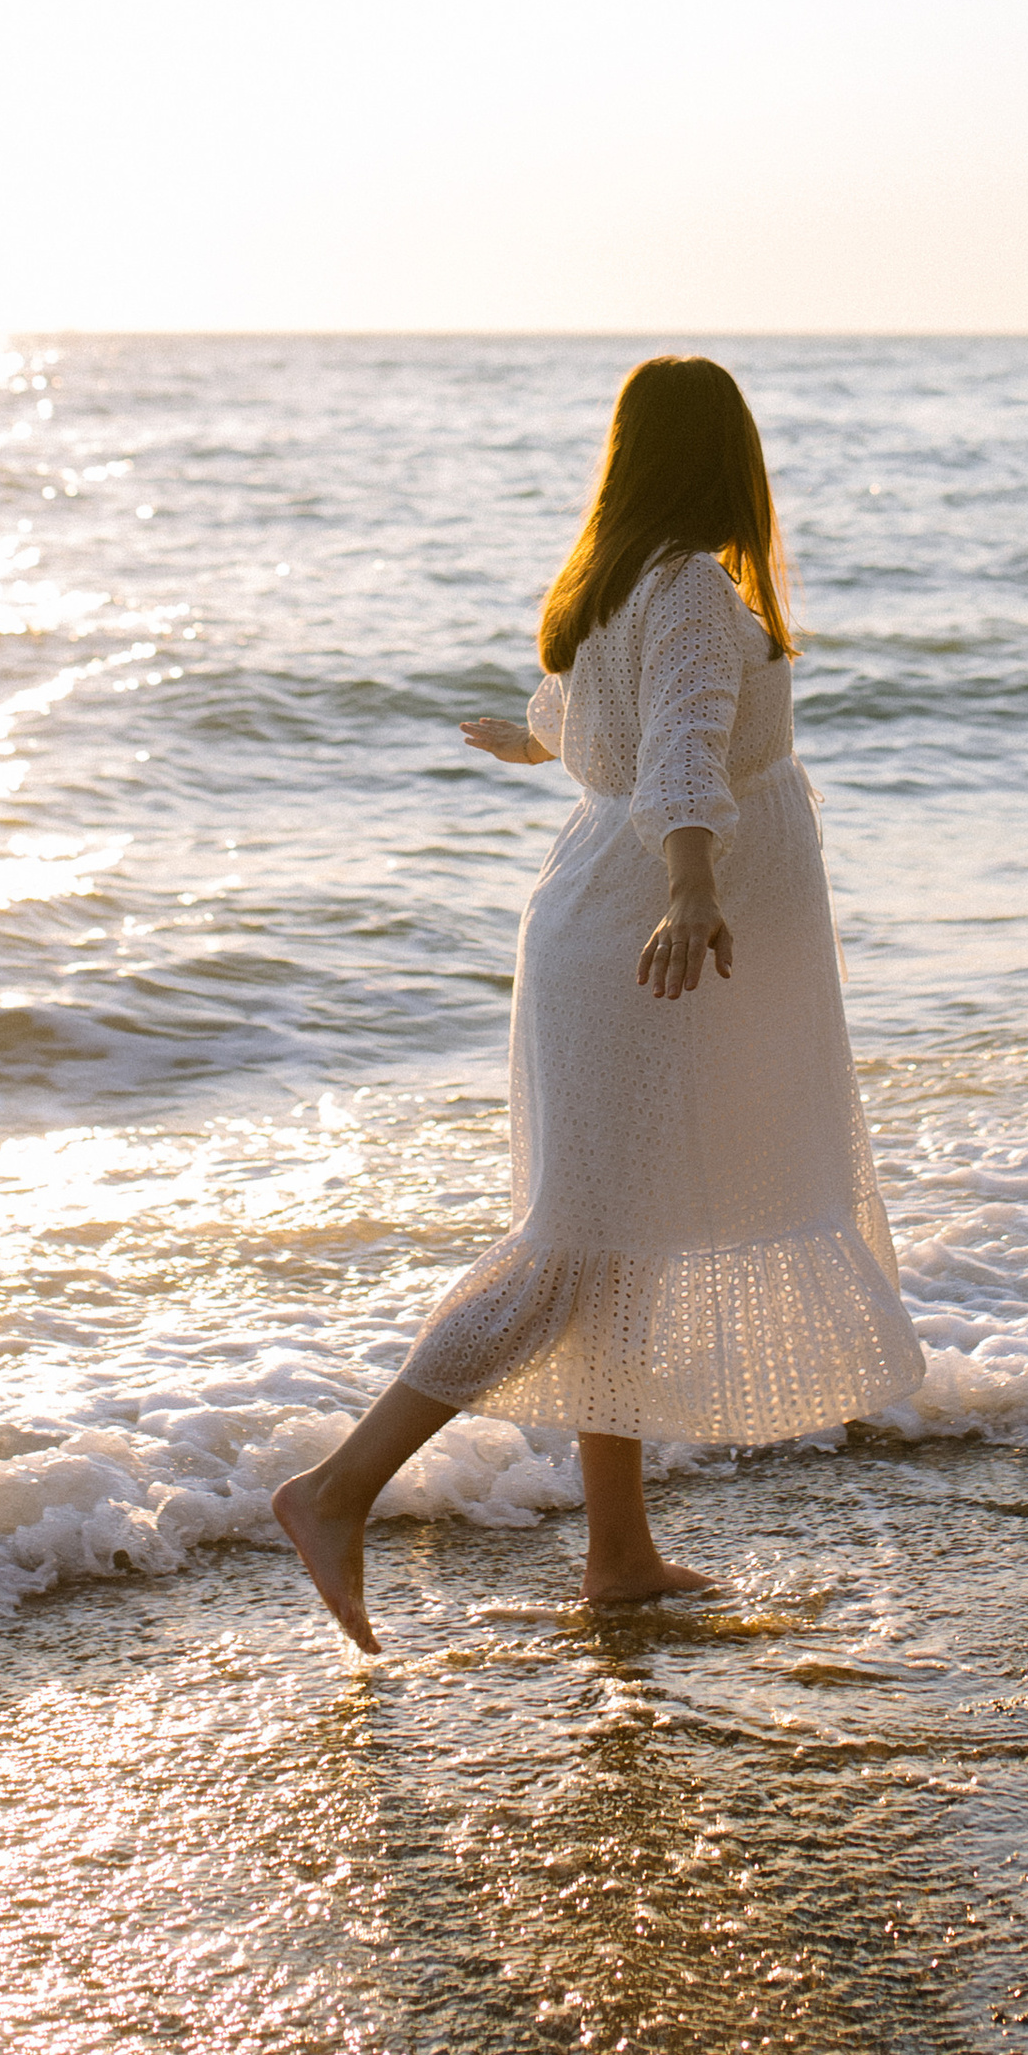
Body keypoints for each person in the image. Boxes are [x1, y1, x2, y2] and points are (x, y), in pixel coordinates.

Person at [274, 353, 924, 1652]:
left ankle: (618, 1554)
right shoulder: (690, 584)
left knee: (614, 1238)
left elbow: (596, 727)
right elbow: (681, 745)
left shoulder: (628, 579)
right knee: (577, 1242)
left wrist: (537, 739)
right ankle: (336, 1489)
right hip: (657, 935)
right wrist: (692, 883)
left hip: (619, 924)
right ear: (725, 456)